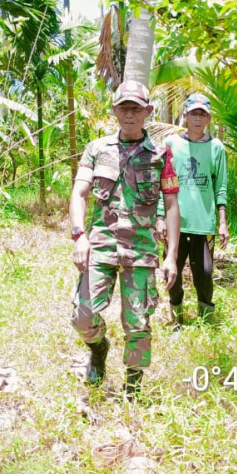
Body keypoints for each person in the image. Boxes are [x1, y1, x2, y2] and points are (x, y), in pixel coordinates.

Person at [69, 79, 181, 398]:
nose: (129, 114)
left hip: (142, 251)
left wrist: (171, 255)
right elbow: (79, 193)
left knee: (138, 324)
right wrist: (79, 236)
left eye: (136, 108)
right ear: (114, 111)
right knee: (82, 315)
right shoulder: (97, 149)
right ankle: (99, 347)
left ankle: (132, 388)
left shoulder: (161, 154)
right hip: (100, 246)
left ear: (148, 111)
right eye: (123, 108)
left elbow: (172, 205)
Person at [156, 93, 229, 324]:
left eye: (202, 114)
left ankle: (206, 321)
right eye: (193, 113)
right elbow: (163, 184)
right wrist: (159, 217)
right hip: (175, 222)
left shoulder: (216, 148)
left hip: (203, 223)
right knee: (172, 272)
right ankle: (176, 319)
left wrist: (223, 221)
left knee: (205, 274)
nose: (198, 118)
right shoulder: (171, 144)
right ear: (185, 115)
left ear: (208, 118)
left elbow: (221, 187)